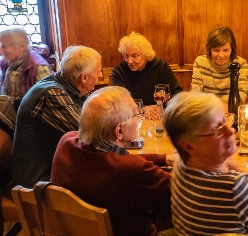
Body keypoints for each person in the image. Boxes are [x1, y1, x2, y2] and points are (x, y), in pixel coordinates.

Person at [164, 91, 248, 235]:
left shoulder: (179, 163)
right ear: (189, 146)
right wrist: (245, 172)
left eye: (225, 120)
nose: (231, 131)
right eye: (217, 130)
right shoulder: (236, 188)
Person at [51, 86, 172, 236]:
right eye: (137, 114)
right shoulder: (132, 170)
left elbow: (113, 159)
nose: (139, 118)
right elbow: (182, 191)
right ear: (119, 131)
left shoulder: (66, 142)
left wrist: (163, 158)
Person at [12, 45, 102, 188]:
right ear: (84, 77)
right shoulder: (52, 94)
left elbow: (101, 114)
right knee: (109, 183)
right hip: (38, 181)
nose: (101, 76)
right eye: (98, 72)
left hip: (57, 168)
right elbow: (89, 136)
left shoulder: (70, 84)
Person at [112, 32, 182, 119]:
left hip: (161, 116)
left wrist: (162, 107)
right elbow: (119, 102)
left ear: (146, 55)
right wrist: (142, 109)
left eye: (134, 56)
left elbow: (177, 93)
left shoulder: (161, 66)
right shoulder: (119, 71)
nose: (129, 61)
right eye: (126, 56)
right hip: (134, 119)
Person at [191, 27, 248, 105]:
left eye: (225, 50)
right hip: (207, 111)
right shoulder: (200, 62)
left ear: (232, 49)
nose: (221, 55)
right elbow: (195, 94)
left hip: (230, 111)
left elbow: (241, 97)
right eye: (216, 50)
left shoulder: (240, 64)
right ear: (210, 49)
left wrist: (210, 101)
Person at [0, 26, 51, 110]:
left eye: (4, 46)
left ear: (22, 46)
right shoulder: (6, 62)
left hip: (27, 117)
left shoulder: (39, 68)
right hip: (9, 113)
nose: (1, 50)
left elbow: (45, 104)